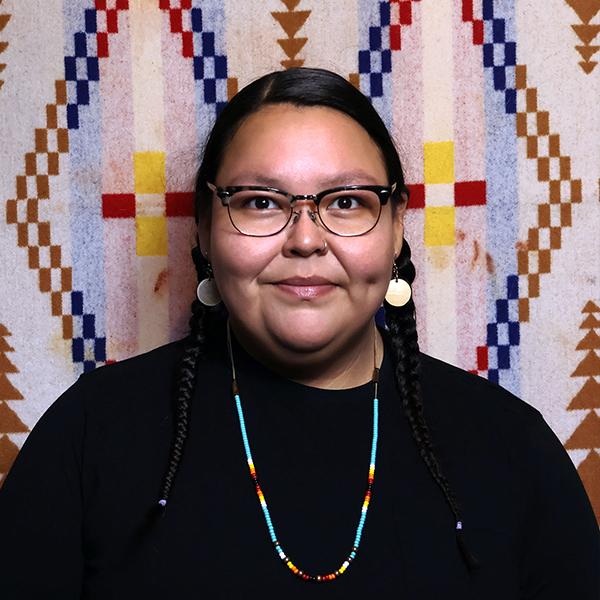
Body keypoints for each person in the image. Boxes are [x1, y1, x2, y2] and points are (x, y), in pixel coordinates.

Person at [0, 68, 598, 599]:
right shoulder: (91, 435)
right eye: (261, 201)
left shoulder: (513, 448)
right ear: (205, 232)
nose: (306, 239)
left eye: (346, 202)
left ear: (396, 230)